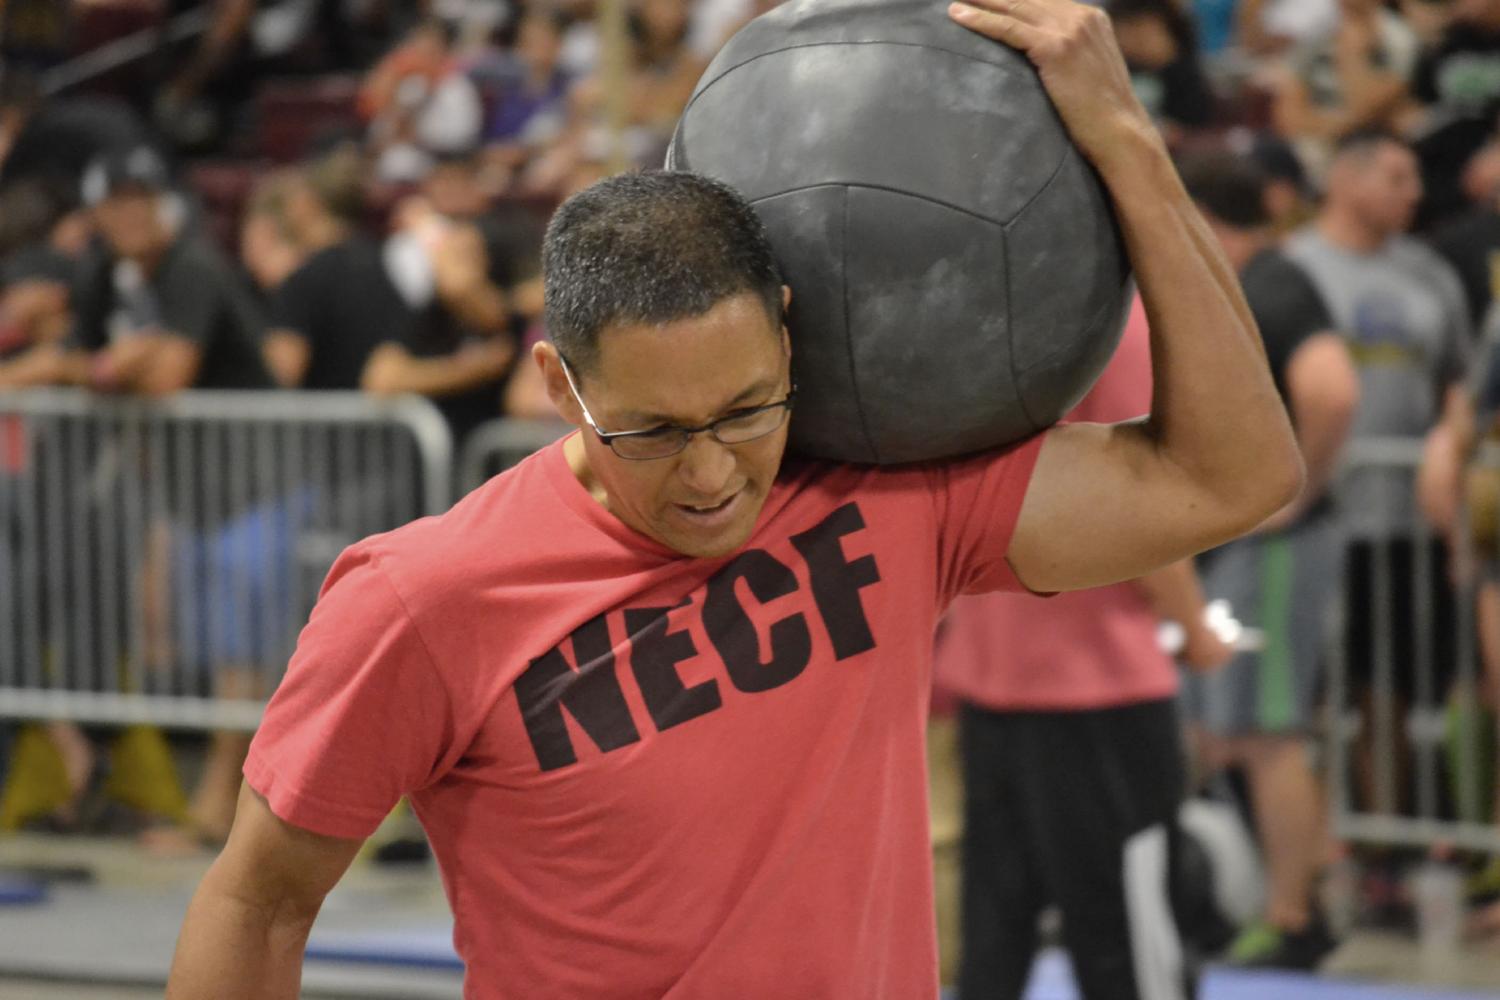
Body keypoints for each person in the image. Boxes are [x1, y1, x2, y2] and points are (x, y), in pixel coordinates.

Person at [166, 3, 1302, 997]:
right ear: (559, 381)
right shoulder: (425, 597)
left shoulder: (885, 499)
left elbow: (1236, 474)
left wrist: (1126, 142)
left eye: (747, 410)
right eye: (652, 433)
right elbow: (258, 902)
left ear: (789, 339)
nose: (712, 475)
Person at [934, 292, 1235, 1000]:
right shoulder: (1109, 324)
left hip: (993, 670)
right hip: (1096, 682)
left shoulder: (988, 311)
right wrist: (1194, 626)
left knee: (996, 934)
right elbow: (1141, 498)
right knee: (1125, 938)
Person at [1179, 151, 1361, 970]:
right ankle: (1298, 897)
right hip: (1257, 548)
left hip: (1279, 547)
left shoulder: (1275, 286)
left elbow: (1334, 392)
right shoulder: (1264, 282)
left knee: (1265, 734)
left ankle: (1294, 916)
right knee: (1233, 732)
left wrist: (1292, 497)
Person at [1283, 129, 1472, 822]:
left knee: (1391, 684)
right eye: (1397, 176)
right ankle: (1331, 841)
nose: (1415, 191)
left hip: (1407, 519)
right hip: (1318, 512)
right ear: (1346, 178)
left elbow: (1461, 382)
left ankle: (1390, 834)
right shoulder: (1294, 268)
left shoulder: (1431, 273)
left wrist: (1451, 444)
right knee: (1314, 691)